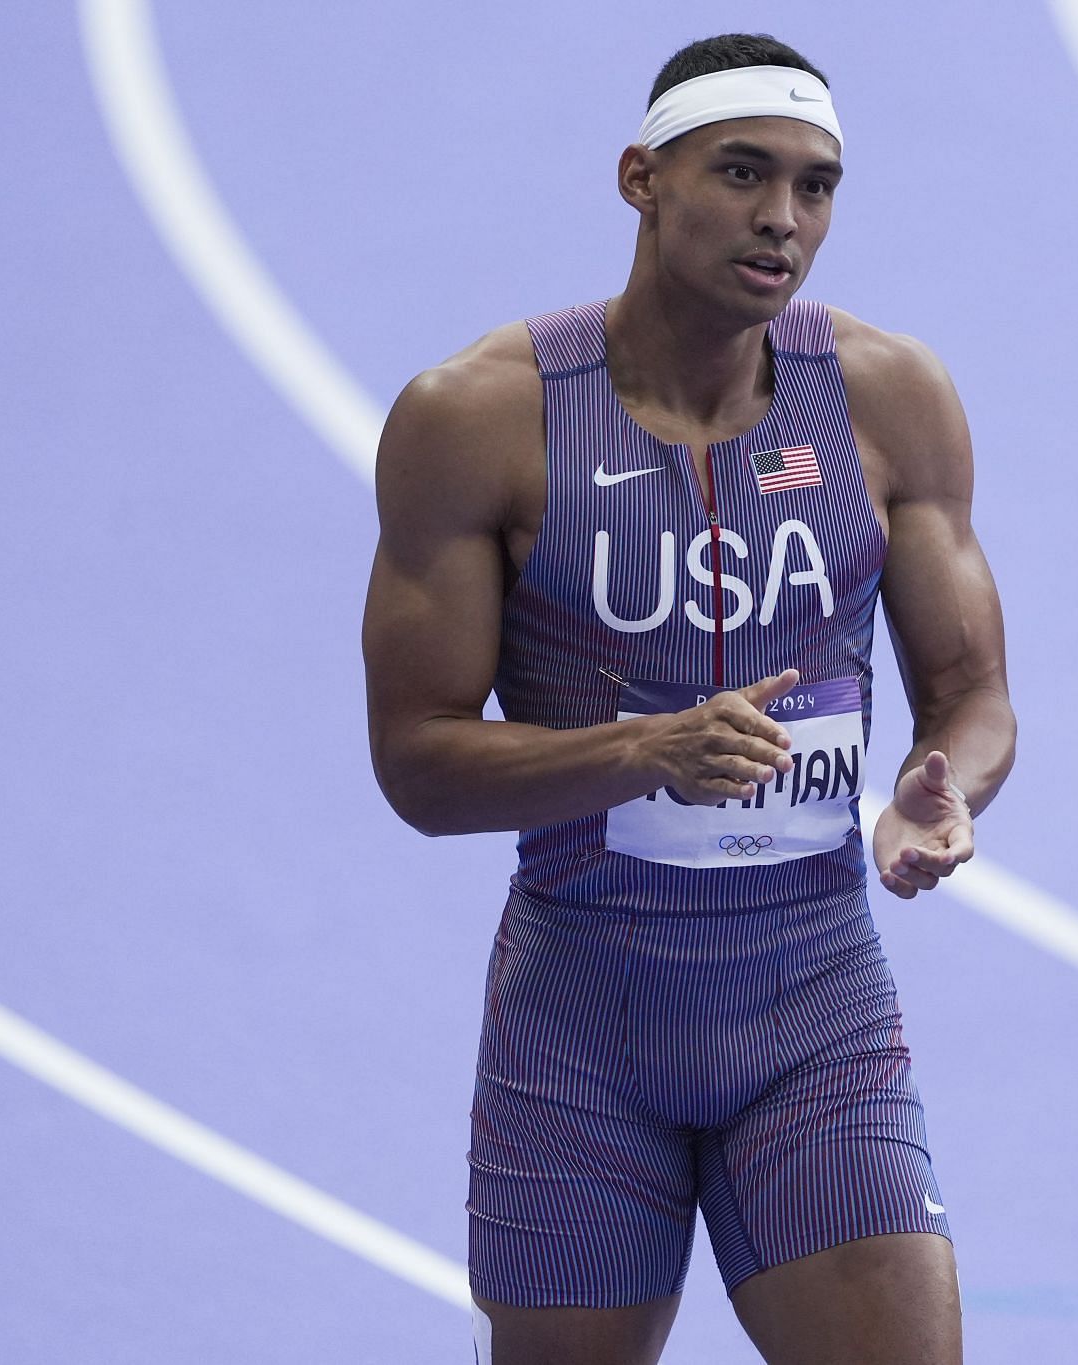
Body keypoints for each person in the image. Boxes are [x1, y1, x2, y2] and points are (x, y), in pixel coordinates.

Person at [362, 32, 1014, 1365]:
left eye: (817, 186)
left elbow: (975, 696)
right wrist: (645, 749)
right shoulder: (480, 419)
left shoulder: (892, 401)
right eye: (743, 172)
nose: (784, 217)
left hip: (816, 1014)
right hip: (581, 1034)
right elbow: (417, 765)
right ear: (640, 180)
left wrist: (940, 789)